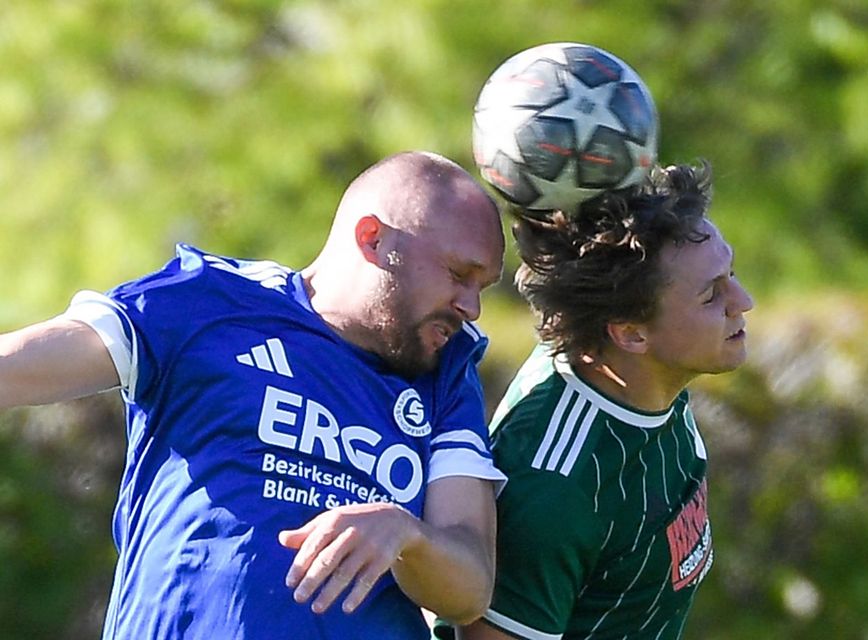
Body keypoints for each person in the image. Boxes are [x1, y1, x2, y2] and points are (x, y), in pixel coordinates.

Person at [0, 151, 507, 639]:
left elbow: (470, 587)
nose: (471, 307)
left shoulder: (448, 376)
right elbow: (18, 368)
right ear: (372, 239)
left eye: (482, 287)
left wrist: (406, 533)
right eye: (459, 275)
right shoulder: (209, 302)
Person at [455, 162, 754, 639]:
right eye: (710, 295)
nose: (743, 300)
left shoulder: (646, 385)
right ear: (631, 332)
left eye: (731, 274)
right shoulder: (556, 486)